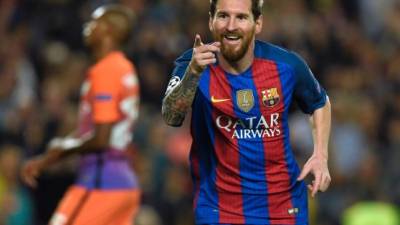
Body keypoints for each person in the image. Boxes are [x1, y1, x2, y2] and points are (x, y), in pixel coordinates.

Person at [162, 0, 331, 224]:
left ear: (257, 23)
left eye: (241, 17)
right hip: (218, 207)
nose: (231, 26)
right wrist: (192, 75)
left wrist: (321, 155)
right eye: (223, 16)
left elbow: (320, 102)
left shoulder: (286, 65)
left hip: (283, 205)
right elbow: (171, 116)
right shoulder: (192, 64)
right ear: (211, 21)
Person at [21, 4, 141, 225]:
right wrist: (50, 157)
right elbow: (95, 128)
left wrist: (63, 149)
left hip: (101, 182)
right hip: (120, 182)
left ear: (108, 31)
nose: (88, 26)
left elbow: (101, 138)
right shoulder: (124, 68)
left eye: (94, 22)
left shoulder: (106, 71)